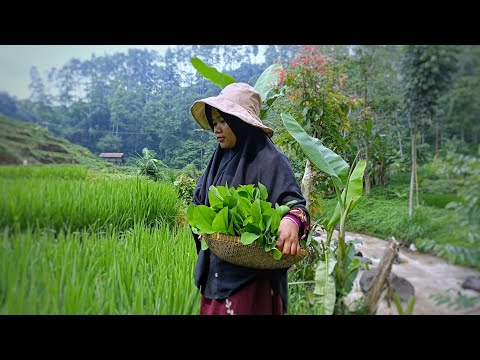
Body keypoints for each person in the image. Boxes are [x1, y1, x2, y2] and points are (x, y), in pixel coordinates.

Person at [190, 82, 310, 315]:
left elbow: (296, 204)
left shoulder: (270, 160)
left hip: (253, 285)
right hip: (216, 276)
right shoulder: (218, 160)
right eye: (214, 122)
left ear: (241, 123)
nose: (217, 128)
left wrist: (290, 222)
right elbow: (198, 201)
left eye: (223, 121)